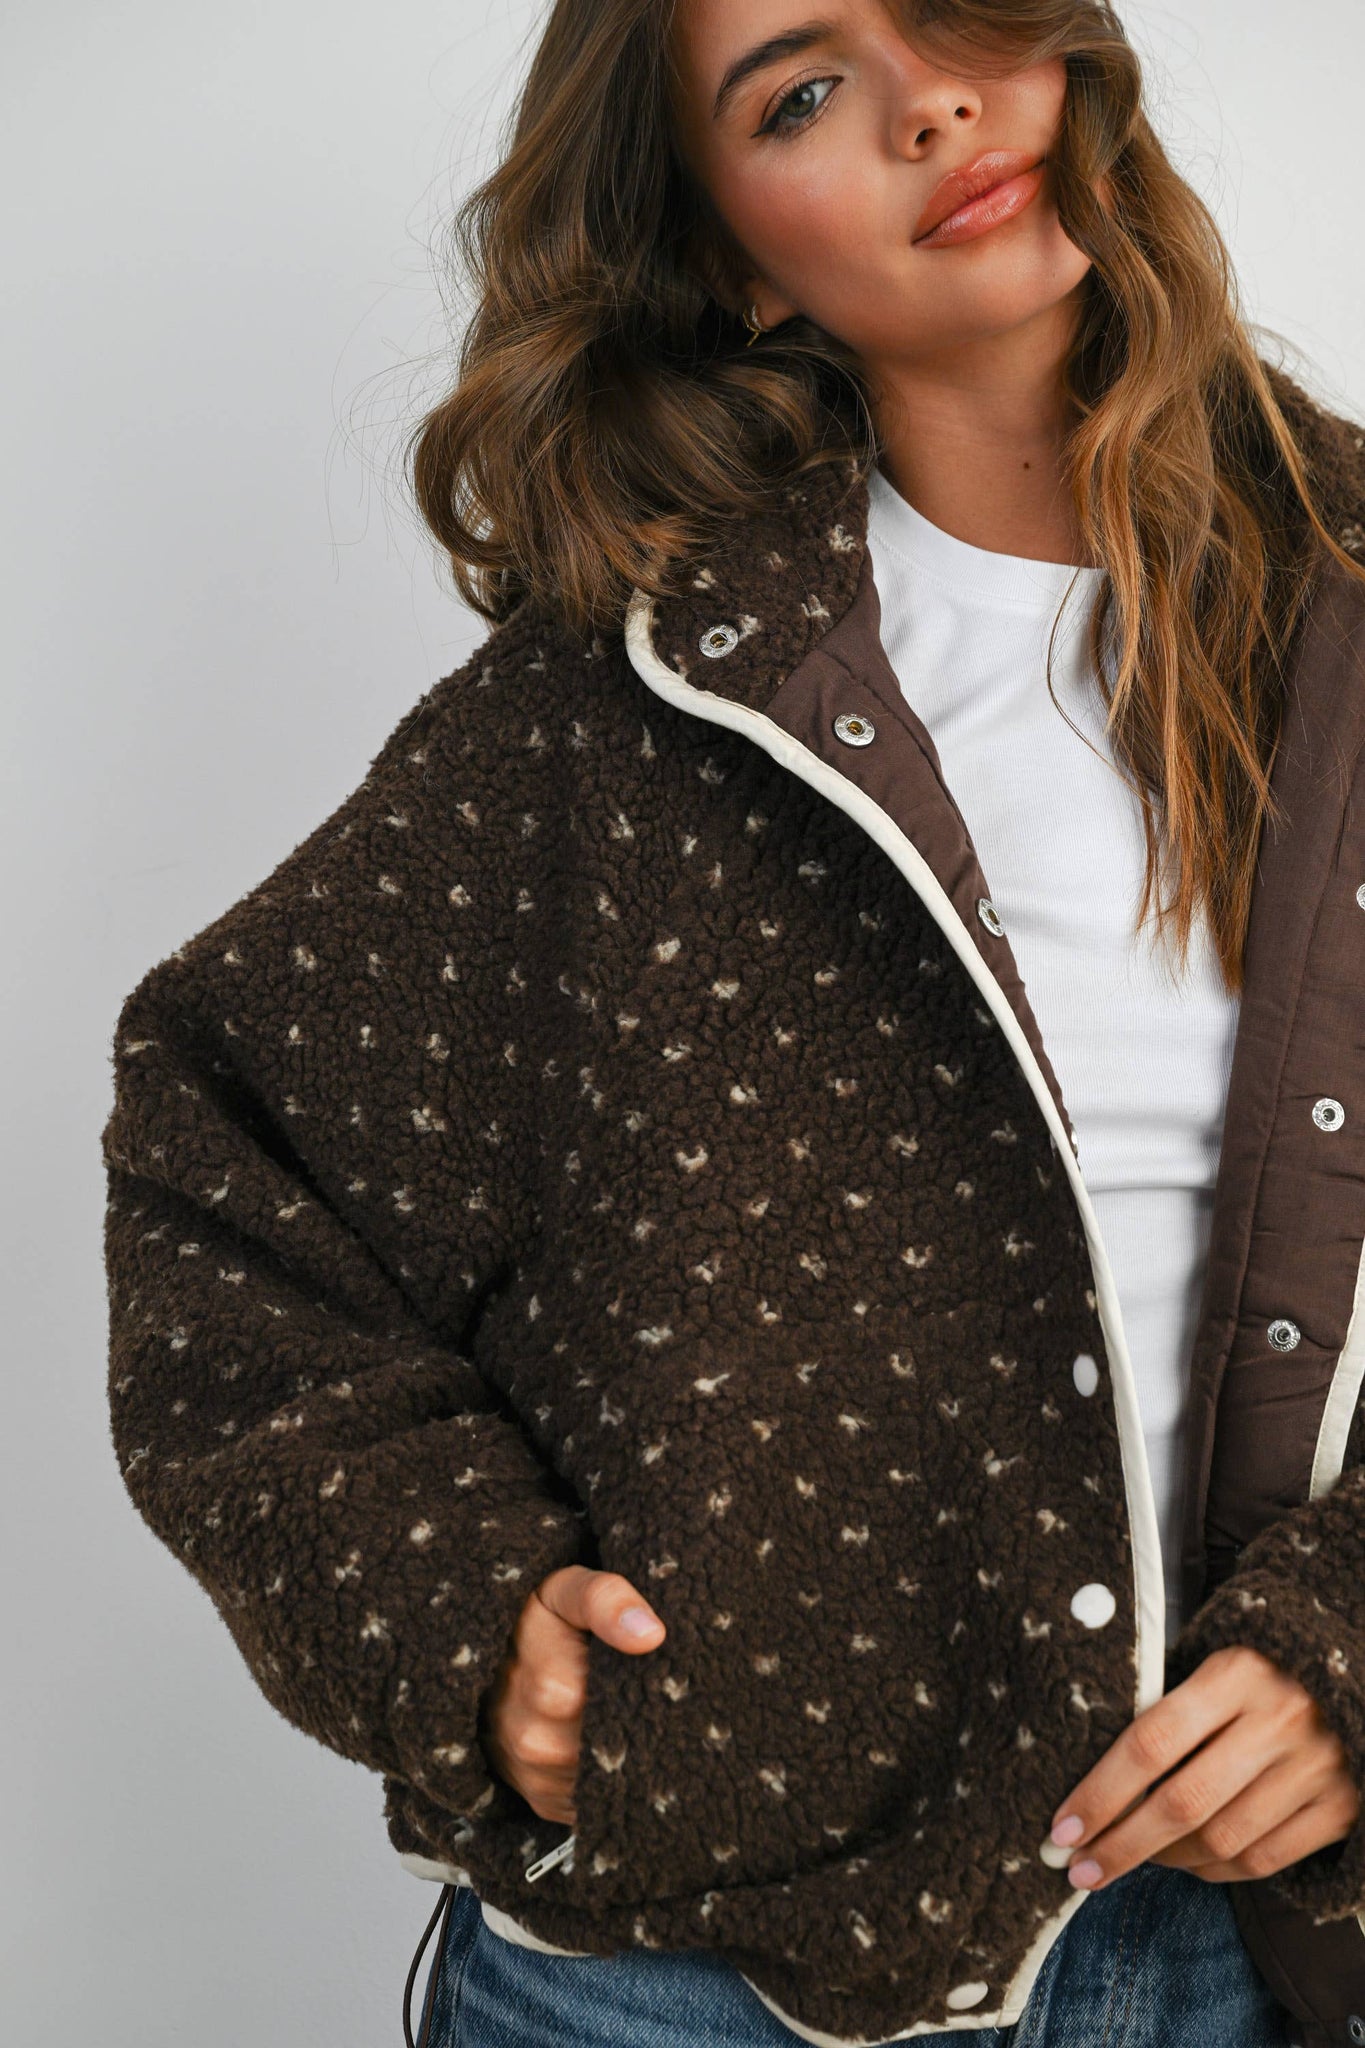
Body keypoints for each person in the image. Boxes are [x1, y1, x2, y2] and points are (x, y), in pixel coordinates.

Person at [102, 2, 1365, 2044]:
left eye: (945, 16)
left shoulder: (1343, 608)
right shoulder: (615, 712)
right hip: (690, 1977)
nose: (927, 105)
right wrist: (453, 1613)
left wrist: (1348, 1652)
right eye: (800, 93)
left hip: (1244, 1956)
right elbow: (225, 1161)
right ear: (729, 254)